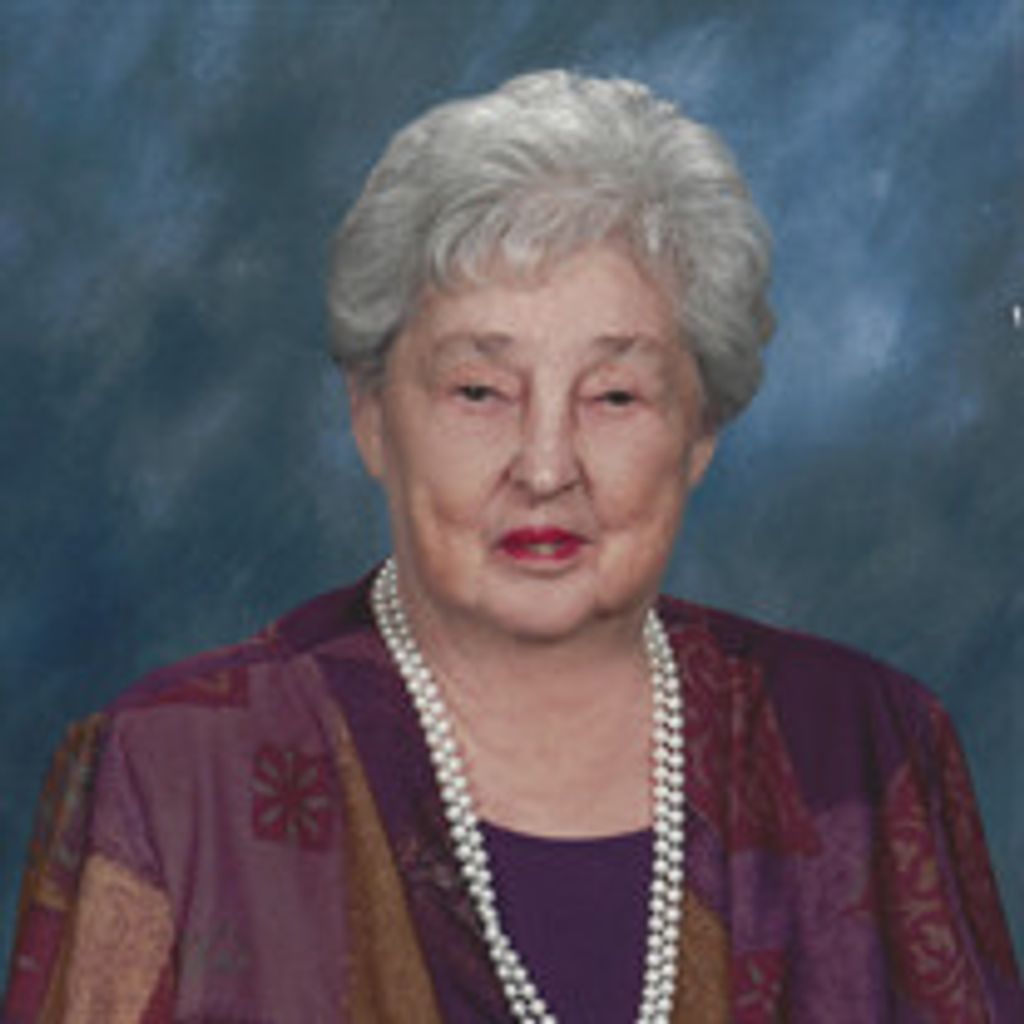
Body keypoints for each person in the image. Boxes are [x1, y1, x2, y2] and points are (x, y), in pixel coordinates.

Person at [3, 70, 1021, 1023]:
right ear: (371, 416)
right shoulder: (172, 775)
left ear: (700, 430)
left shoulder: (867, 749)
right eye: (480, 391)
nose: (545, 467)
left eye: (613, 396)